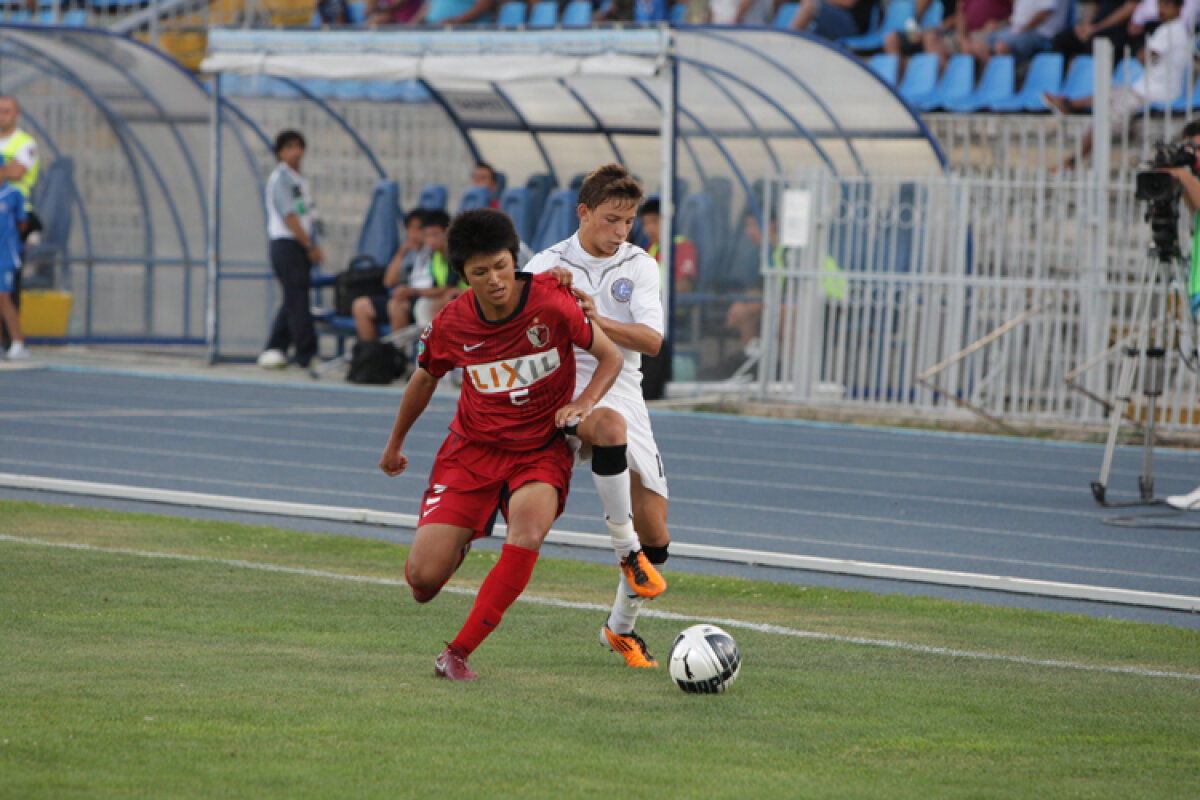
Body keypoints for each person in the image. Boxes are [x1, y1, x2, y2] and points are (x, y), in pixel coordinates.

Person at [379, 208, 626, 681]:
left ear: (515, 260)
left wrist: (583, 403)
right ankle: (466, 532)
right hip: (471, 451)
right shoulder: (452, 323)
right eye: (479, 272)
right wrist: (395, 445)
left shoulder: (552, 301)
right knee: (422, 582)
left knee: (528, 533)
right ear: (464, 277)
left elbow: (609, 354)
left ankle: (457, 653)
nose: (494, 279)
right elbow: (424, 379)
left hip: (539, 450)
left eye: (501, 266)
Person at [524, 164, 674, 669]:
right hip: (564, 381)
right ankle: (623, 548)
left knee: (660, 537)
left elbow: (652, 342)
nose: (620, 232)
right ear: (583, 213)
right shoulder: (546, 263)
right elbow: (517, 334)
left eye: (628, 222)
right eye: (611, 219)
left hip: (624, 384)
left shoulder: (639, 265)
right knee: (603, 434)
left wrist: (592, 316)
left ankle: (620, 630)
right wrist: (549, 299)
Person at [1043, 0, 1189, 170]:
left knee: (1104, 119)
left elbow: (1142, 58)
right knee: (1107, 98)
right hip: (1148, 89)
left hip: (1153, 92)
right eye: (1160, 5)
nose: (1161, 10)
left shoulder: (1169, 30)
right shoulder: (1178, 30)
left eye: (1166, 6)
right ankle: (1068, 105)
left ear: (1178, 8)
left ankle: (1075, 159)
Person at [258, 130, 323, 371]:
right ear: (280, 152)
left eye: (299, 146)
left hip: (299, 245)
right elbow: (290, 217)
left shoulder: (299, 180)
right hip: (287, 244)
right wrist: (309, 245)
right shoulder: (281, 179)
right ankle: (306, 353)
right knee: (298, 300)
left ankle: (274, 347)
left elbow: (307, 215)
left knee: (293, 297)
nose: (296, 152)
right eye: (289, 147)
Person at [0, 96, 40, 352]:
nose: (2, 115)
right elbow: (9, 170)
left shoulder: (25, 143)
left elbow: (17, 172)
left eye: (6, 111)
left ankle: (13, 340)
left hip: (14, 219)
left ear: (16, 115)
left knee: (8, 286)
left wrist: (8, 171)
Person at [350, 208, 425, 342]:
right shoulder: (407, 252)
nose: (414, 233)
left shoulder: (433, 253)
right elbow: (388, 282)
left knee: (396, 305)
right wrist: (400, 254)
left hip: (418, 299)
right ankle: (372, 354)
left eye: (418, 229)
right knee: (360, 305)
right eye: (410, 228)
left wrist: (411, 291)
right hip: (399, 297)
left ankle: (397, 357)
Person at [885, 0, 1013, 68]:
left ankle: (949, 81)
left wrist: (1001, 23)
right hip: (945, 31)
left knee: (930, 38)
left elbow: (1017, 14)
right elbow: (913, 21)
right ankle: (894, 88)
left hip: (974, 32)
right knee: (891, 39)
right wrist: (915, 29)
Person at [408, 209, 467, 328]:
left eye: (435, 234)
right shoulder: (435, 257)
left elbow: (449, 287)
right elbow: (437, 287)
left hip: (469, 295)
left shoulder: (456, 253)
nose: (430, 240)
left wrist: (413, 292)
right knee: (422, 304)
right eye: (426, 235)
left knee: (439, 303)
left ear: (448, 233)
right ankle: (425, 344)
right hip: (450, 295)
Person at [967, 0, 1066, 65]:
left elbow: (1045, 12)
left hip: (1037, 33)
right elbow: (1017, 18)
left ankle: (1002, 81)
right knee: (977, 44)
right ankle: (995, 73)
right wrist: (1001, 24)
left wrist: (1025, 28)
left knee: (1001, 46)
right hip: (1014, 31)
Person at [639, 196, 698, 294]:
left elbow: (683, 285)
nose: (649, 228)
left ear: (668, 220)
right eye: (645, 224)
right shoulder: (651, 248)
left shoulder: (683, 246)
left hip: (671, 307)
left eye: (654, 221)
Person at [0, 161, 28, 360]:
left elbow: (23, 223)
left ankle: (18, 342)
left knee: (4, 298)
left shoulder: (13, 194)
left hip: (6, 255)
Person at [1050, 0, 1138, 58]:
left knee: (1094, 40)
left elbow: (1130, 8)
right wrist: (1085, 26)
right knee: (1061, 39)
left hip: (1119, 29)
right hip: (1096, 27)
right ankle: (1059, 81)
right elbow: (1093, 4)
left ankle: (1090, 81)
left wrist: (1096, 28)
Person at [791, 0, 880, 42]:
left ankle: (788, 40)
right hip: (837, 20)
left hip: (853, 25)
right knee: (809, 35)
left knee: (810, 5)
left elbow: (848, 2)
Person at [409, 0, 493, 25]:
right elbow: (429, 5)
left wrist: (457, 21)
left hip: (464, 33)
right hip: (432, 31)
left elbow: (485, 4)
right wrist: (412, 25)